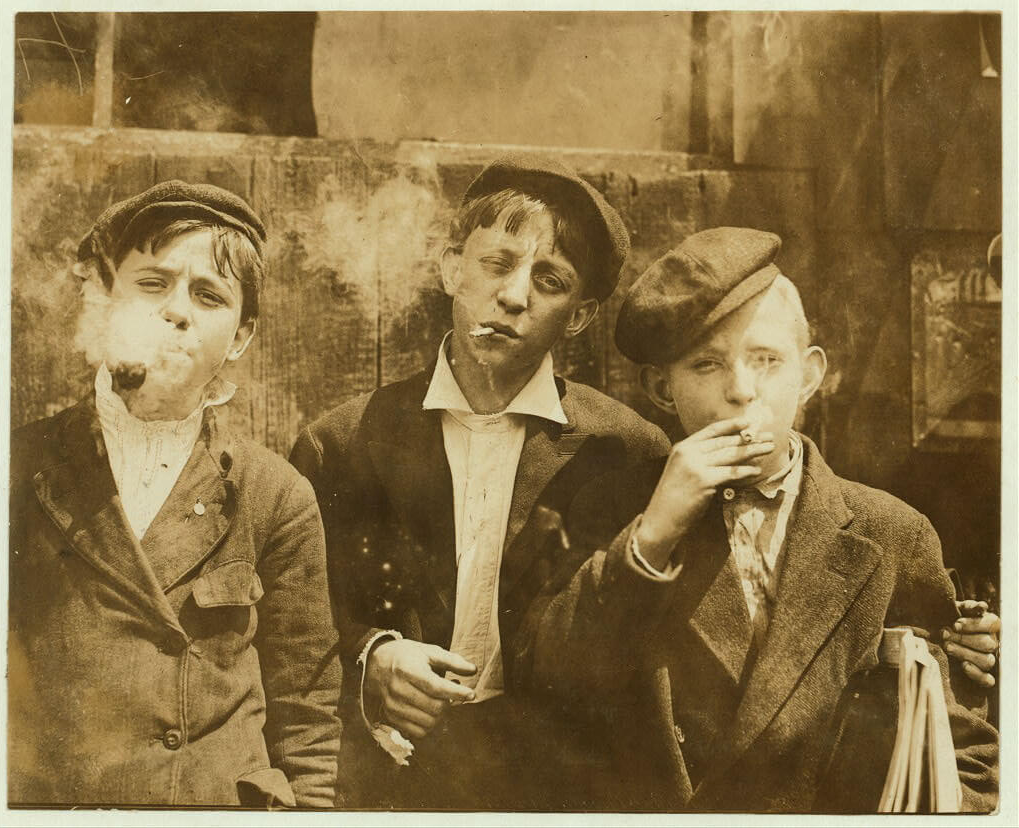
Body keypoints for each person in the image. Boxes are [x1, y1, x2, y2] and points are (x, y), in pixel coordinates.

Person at [511, 227, 999, 812]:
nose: (741, 391)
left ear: (811, 374)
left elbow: (959, 755)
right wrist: (652, 536)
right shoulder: (611, 509)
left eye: (767, 360)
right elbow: (547, 685)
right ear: (661, 389)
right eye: (705, 365)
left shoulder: (889, 530)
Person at [289, 155, 670, 809]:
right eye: (497, 264)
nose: (515, 295)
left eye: (549, 281)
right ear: (451, 269)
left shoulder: (627, 456)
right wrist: (369, 657)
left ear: (578, 317)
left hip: (560, 790)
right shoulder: (343, 443)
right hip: (390, 784)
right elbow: (292, 621)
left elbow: (642, 653)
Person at [8, 181, 342, 808]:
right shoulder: (18, 470)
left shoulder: (273, 496)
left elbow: (309, 720)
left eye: (208, 295)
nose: (177, 310)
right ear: (105, 302)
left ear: (240, 338)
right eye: (152, 284)